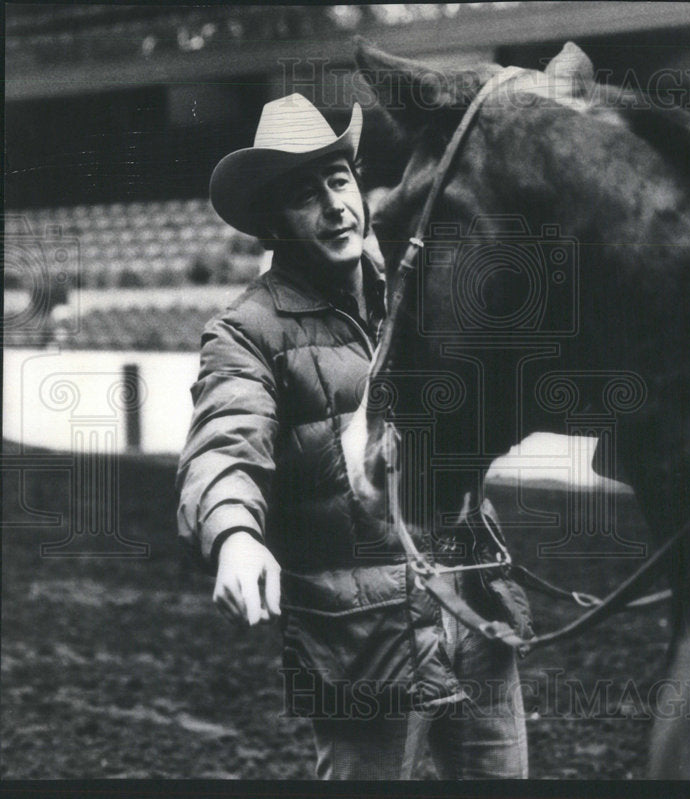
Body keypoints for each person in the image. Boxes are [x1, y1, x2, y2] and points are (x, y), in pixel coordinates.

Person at [176, 93, 529, 779]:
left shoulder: (417, 286)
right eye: (306, 194)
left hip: (475, 614)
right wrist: (235, 534)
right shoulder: (247, 332)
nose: (335, 205)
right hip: (366, 652)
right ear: (274, 220)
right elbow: (224, 439)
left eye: (339, 180)